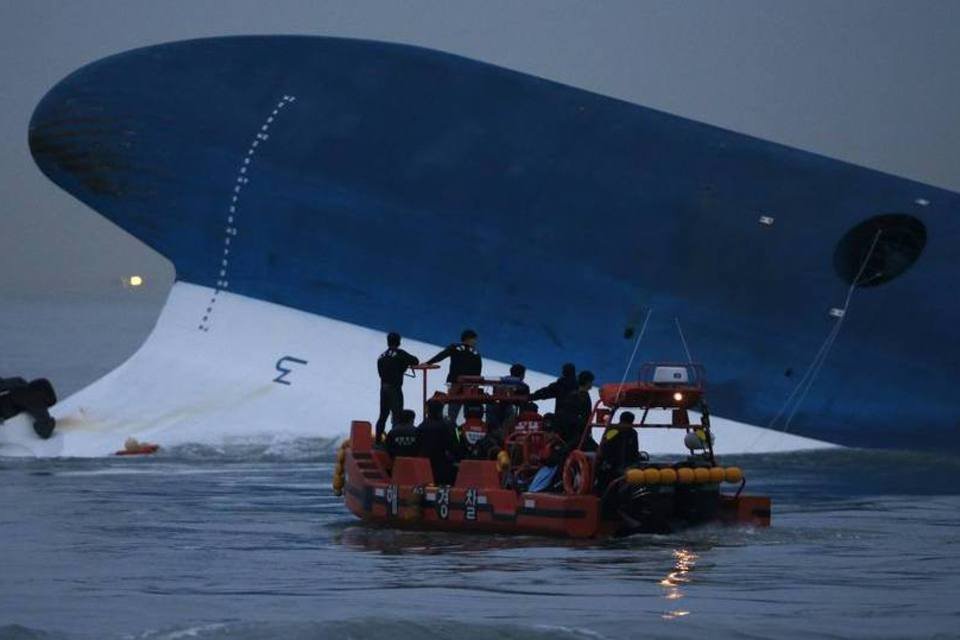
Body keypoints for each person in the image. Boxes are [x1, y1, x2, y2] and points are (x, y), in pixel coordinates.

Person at [425, 329, 482, 424]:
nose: (475, 342)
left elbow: (442, 355)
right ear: (468, 339)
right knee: (468, 409)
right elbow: (478, 371)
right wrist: (475, 385)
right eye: (474, 339)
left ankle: (450, 424)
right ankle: (466, 425)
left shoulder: (455, 347)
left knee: (452, 406)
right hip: (469, 386)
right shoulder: (476, 353)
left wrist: (428, 362)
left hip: (455, 383)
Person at [375, 332, 420, 444]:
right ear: (399, 342)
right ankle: (394, 441)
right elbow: (415, 361)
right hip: (395, 389)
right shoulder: (400, 353)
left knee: (383, 416)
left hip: (383, 388)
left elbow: (380, 373)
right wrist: (403, 366)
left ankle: (378, 441)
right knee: (397, 416)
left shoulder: (381, 356)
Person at [417, 401, 463, 485]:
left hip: (422, 468)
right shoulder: (445, 427)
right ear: (440, 411)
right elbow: (453, 447)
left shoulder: (420, 427)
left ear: (428, 411)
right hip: (441, 469)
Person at [596, 411, 641, 489]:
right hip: (612, 464)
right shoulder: (614, 430)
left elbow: (634, 450)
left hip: (625, 464)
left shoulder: (632, 433)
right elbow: (604, 445)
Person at [556, 370, 596, 448]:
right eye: (591, 382)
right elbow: (585, 415)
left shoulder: (574, 395)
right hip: (577, 433)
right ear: (587, 382)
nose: (592, 384)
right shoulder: (582, 396)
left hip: (574, 432)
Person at [487, 363, 530, 431]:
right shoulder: (524, 386)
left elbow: (494, 393)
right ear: (522, 375)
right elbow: (524, 404)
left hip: (495, 409)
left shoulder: (500, 381)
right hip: (510, 412)